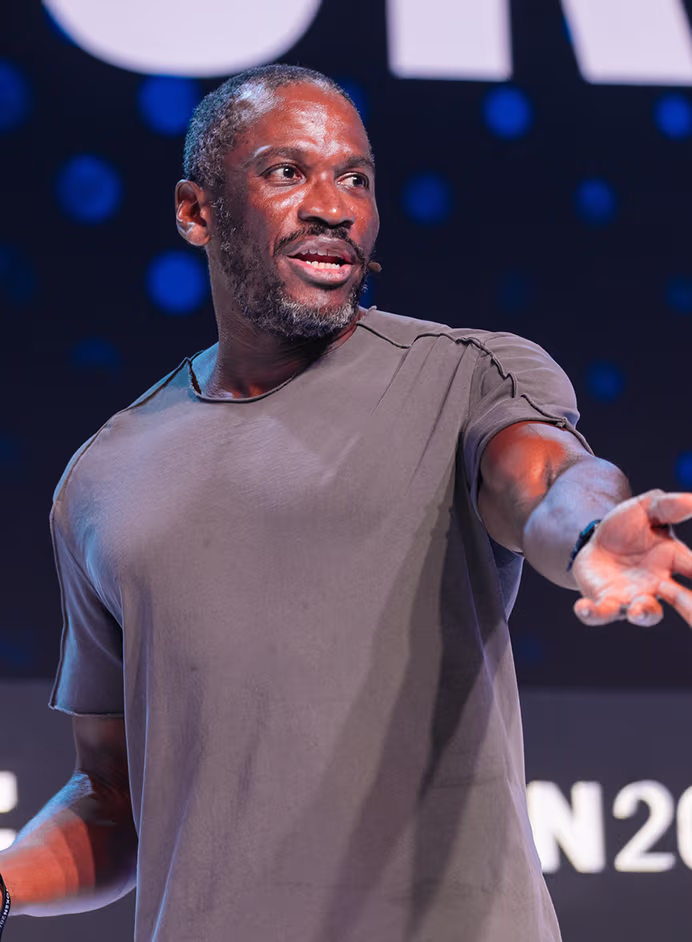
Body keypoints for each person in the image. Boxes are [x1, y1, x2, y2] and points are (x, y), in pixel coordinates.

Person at [2, 63, 692, 942]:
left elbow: (543, 477)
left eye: (356, 178)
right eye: (288, 172)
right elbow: (112, 798)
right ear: (196, 211)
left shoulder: (463, 376)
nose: (334, 206)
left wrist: (592, 530)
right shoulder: (103, 477)